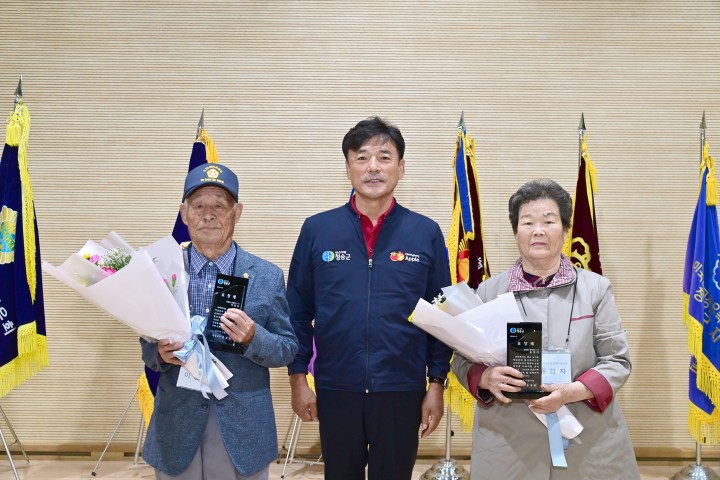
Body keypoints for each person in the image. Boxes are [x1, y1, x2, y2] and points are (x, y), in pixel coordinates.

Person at [286, 116, 452, 480]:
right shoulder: (317, 229)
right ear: (348, 168)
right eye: (361, 157)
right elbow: (296, 311)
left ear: (401, 168)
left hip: (401, 388)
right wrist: (298, 379)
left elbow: (442, 316)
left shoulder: (425, 232)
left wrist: (436, 384)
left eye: (384, 157)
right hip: (336, 387)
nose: (373, 167)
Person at [451, 179, 639, 480]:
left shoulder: (595, 289)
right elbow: (462, 360)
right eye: (527, 222)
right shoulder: (488, 292)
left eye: (549, 221)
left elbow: (617, 361)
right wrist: (485, 377)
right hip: (509, 438)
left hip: (585, 433)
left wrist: (572, 392)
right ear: (516, 232)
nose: (538, 230)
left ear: (565, 230)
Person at [140, 163, 299, 480]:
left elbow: (287, 348)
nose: (208, 215)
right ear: (184, 214)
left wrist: (253, 337)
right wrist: (158, 353)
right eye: (198, 206)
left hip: (243, 424)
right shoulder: (161, 271)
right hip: (177, 423)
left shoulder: (266, 276)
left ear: (237, 212)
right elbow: (146, 340)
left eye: (219, 206)